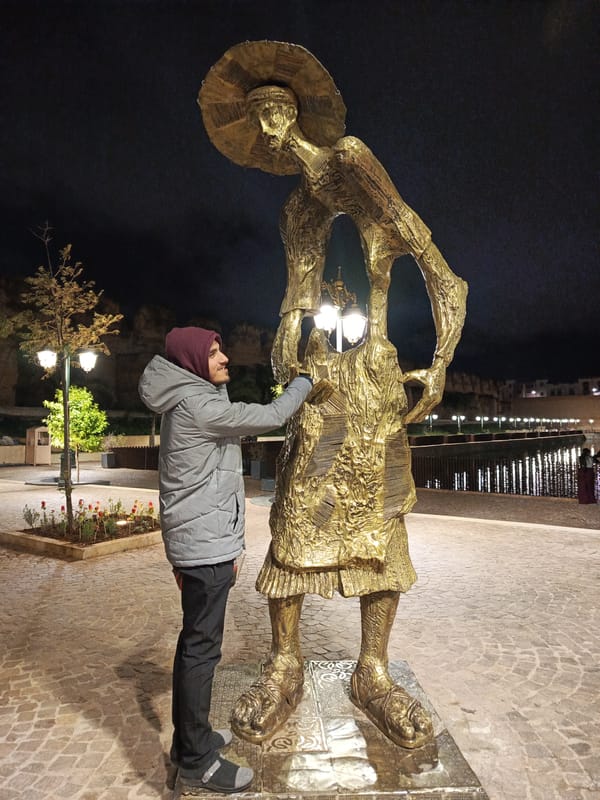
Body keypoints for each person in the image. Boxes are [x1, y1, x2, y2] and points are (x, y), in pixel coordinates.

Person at [198, 41, 467, 751]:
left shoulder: (351, 159)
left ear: (297, 113)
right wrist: (289, 338)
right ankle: (284, 663)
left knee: (380, 528)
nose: (272, 124)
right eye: (259, 117)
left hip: (377, 381)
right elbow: (296, 298)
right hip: (321, 387)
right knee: (292, 522)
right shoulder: (296, 215)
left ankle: (371, 670)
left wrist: (439, 365)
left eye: (279, 108)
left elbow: (443, 275)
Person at [138, 326, 315, 795]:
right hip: (205, 546)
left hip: (197, 542)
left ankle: (187, 742)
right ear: (194, 361)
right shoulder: (202, 405)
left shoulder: (188, 397)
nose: (225, 359)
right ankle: (197, 762)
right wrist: (306, 381)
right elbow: (273, 415)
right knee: (201, 651)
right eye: (214, 354)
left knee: (192, 646)